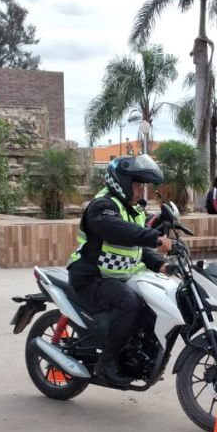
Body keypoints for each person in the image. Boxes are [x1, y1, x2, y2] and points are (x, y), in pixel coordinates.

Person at [67, 155, 173, 386]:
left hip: (115, 276)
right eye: (137, 185)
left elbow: (133, 246)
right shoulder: (102, 206)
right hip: (89, 276)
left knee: (150, 300)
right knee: (129, 301)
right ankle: (106, 363)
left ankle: (135, 353)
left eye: (143, 186)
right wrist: (154, 237)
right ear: (122, 182)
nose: (141, 191)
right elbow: (117, 231)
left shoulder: (131, 210)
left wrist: (159, 264)